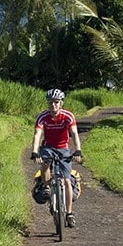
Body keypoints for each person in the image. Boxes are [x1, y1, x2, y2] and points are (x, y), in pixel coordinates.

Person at [30, 88, 83, 228]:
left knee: (67, 181)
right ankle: (47, 187)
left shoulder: (68, 116)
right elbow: (37, 135)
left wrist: (78, 150)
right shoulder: (43, 117)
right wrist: (35, 152)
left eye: (56, 102)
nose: (53, 105)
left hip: (63, 149)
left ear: (61, 103)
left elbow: (74, 134)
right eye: (50, 103)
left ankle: (69, 213)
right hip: (48, 147)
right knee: (44, 164)